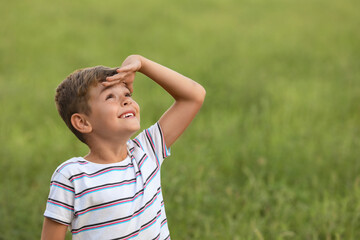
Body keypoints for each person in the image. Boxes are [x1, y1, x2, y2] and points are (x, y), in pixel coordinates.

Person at [41, 55, 206, 240]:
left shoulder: (146, 151)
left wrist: (141, 63)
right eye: (110, 97)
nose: (126, 101)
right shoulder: (72, 176)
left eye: (127, 94)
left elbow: (194, 96)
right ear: (82, 122)